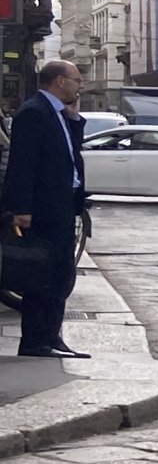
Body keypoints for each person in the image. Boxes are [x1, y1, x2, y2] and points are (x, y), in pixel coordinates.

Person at [3, 60, 89, 359]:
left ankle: (52, 337)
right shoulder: (34, 112)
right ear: (59, 81)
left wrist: (75, 120)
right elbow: (22, 164)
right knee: (41, 274)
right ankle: (36, 341)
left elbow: (69, 154)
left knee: (60, 274)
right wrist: (22, 208)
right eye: (77, 79)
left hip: (61, 206)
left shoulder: (57, 114)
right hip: (42, 209)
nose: (81, 86)